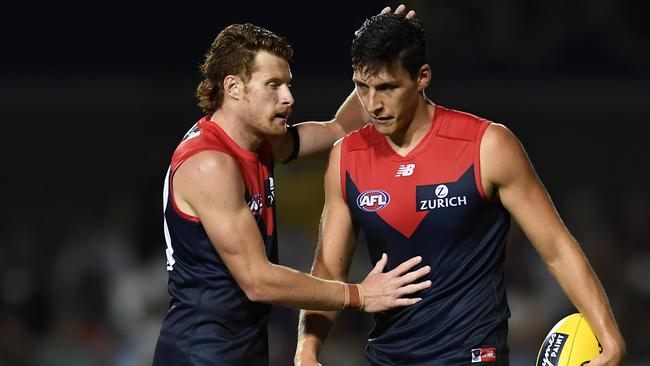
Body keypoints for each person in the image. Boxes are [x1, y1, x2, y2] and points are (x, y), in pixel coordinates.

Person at [295, 11, 626, 366]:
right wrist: (307, 350)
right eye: (362, 86)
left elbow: (557, 249)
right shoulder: (346, 157)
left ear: (422, 77)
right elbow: (329, 269)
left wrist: (610, 338)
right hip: (385, 358)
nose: (372, 104)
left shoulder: (487, 146)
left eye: (387, 87)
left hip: (472, 357)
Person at [152, 6, 432, 366]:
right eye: (273, 86)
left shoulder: (260, 142)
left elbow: (337, 130)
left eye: (288, 84)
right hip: (200, 354)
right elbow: (258, 280)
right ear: (233, 87)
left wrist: (382, 58)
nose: (288, 97)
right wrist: (359, 295)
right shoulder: (210, 164)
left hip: (241, 350)